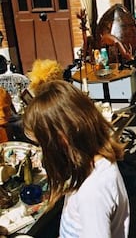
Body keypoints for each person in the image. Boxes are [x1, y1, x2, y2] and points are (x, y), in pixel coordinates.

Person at [22, 80, 130, 238]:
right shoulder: (95, 166)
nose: (42, 152)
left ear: (62, 139)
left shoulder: (92, 191)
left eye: (42, 145)